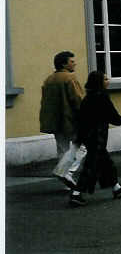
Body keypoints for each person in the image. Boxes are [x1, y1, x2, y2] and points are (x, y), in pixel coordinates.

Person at [70, 71, 121, 206]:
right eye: (105, 79)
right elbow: (111, 114)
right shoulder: (101, 96)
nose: (108, 81)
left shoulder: (88, 97)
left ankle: (116, 188)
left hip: (88, 135)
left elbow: (82, 118)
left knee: (105, 163)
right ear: (98, 82)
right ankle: (76, 193)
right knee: (92, 165)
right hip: (97, 135)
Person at [39, 51, 84, 188]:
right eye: (72, 61)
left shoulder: (49, 79)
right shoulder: (69, 78)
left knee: (62, 149)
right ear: (64, 64)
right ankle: (67, 172)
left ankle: (66, 181)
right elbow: (77, 99)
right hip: (70, 119)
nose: (74, 63)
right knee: (82, 148)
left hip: (55, 120)